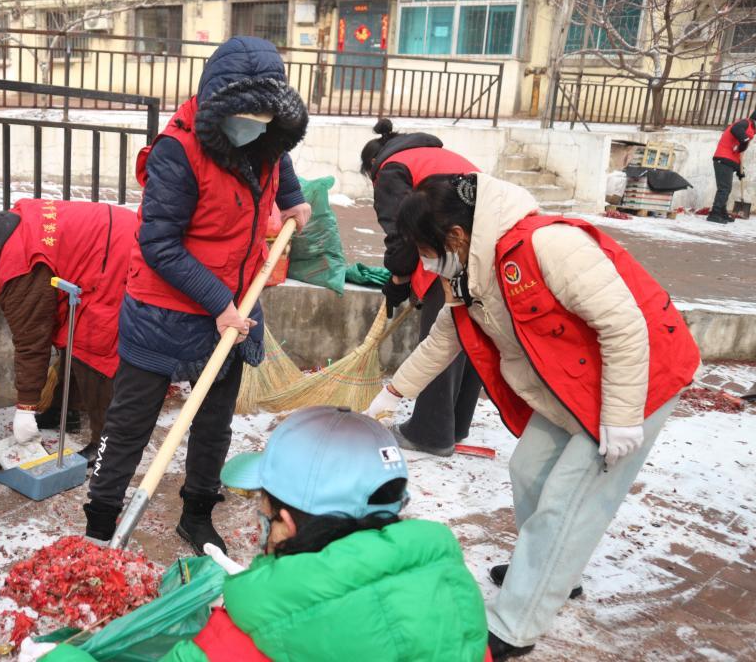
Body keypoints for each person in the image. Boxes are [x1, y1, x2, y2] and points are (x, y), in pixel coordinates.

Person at [365, 172, 700, 660]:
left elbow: (625, 327)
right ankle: (553, 573)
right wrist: (392, 393)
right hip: (573, 384)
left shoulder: (550, 246)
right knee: (528, 471)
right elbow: (445, 339)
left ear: (455, 236)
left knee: (569, 500)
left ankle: (515, 624)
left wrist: (624, 416)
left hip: (638, 380)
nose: (424, 261)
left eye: (425, 249)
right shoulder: (468, 272)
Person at [84, 36, 311, 552]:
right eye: (244, 116)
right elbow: (158, 244)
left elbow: (279, 161)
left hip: (234, 305)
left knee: (213, 424)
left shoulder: (265, 137)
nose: (253, 127)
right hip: (163, 309)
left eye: (264, 118)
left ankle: (197, 513)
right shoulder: (177, 151)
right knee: (128, 427)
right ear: (218, 105)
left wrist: (293, 200)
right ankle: (100, 525)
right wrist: (219, 303)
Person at [32, 407, 489, 661]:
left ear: (287, 525)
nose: (259, 525)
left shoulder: (247, 639)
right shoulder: (455, 591)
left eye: (264, 512)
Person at [0, 199, 136, 465]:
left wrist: (25, 408)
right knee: (69, 335)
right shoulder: (2, 235)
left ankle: (107, 447)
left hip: (118, 255)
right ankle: (64, 411)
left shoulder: (18, 266)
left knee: (91, 348)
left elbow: (31, 343)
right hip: (111, 240)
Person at [360, 118, 483, 457]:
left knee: (439, 335)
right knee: (470, 333)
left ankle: (430, 433)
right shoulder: (437, 155)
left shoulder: (390, 168)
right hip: (479, 246)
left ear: (372, 167)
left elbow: (402, 231)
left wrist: (398, 278)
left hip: (445, 251)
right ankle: (455, 425)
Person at [707, 109, 756, 224]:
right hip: (723, 158)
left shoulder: (750, 129)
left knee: (726, 188)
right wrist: (744, 140)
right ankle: (714, 214)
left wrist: (740, 169)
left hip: (728, 159)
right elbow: (736, 130)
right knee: (724, 188)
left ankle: (721, 212)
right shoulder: (745, 123)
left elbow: (738, 152)